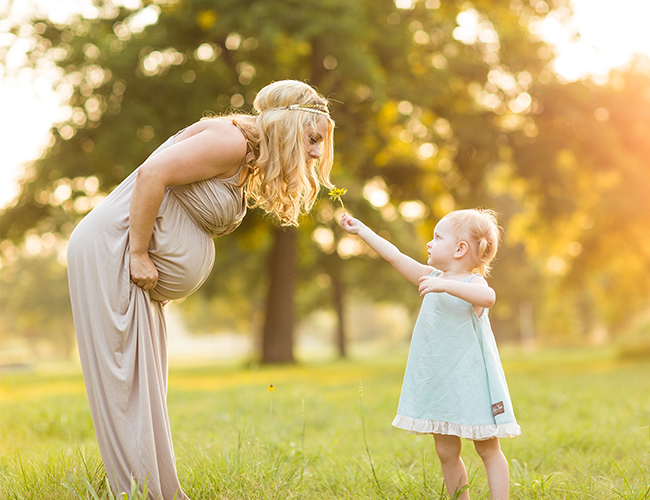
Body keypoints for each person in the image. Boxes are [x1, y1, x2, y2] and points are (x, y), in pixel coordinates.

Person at [67, 80, 335, 500]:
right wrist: (138, 253)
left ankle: (153, 490)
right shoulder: (227, 140)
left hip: (131, 265)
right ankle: (137, 493)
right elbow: (152, 174)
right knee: (126, 383)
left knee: (146, 384)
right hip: (114, 250)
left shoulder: (247, 154)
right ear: (286, 126)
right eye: (313, 138)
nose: (317, 152)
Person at [339, 209, 521, 500]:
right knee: (446, 451)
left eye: (437, 237)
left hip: (473, 385)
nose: (429, 243)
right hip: (442, 385)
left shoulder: (471, 284)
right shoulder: (431, 276)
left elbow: (489, 297)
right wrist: (362, 231)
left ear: (460, 249)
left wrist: (445, 285)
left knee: (487, 447)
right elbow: (395, 256)